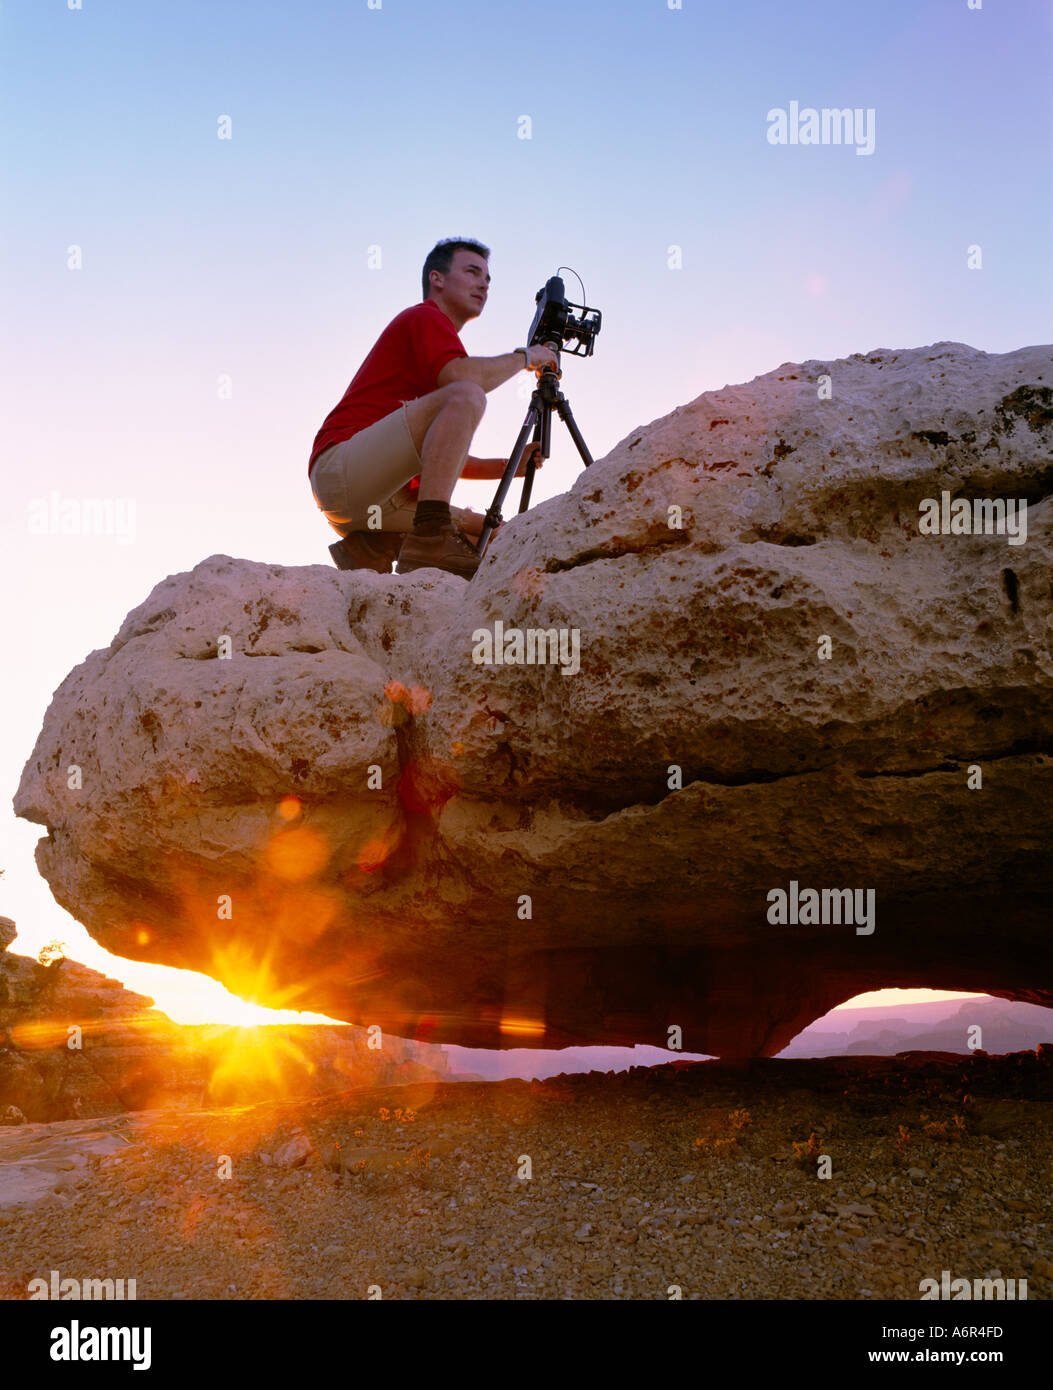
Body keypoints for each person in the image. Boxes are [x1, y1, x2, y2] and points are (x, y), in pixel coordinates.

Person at [307, 238, 559, 579]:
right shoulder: (425, 317)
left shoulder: (438, 342)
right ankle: (426, 539)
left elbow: (442, 457)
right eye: (472, 272)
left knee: (491, 535)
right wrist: (527, 357)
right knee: (467, 394)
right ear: (437, 278)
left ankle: (373, 544)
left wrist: (511, 467)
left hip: (376, 498)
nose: (483, 283)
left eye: (487, 278)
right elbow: (460, 379)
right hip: (343, 470)